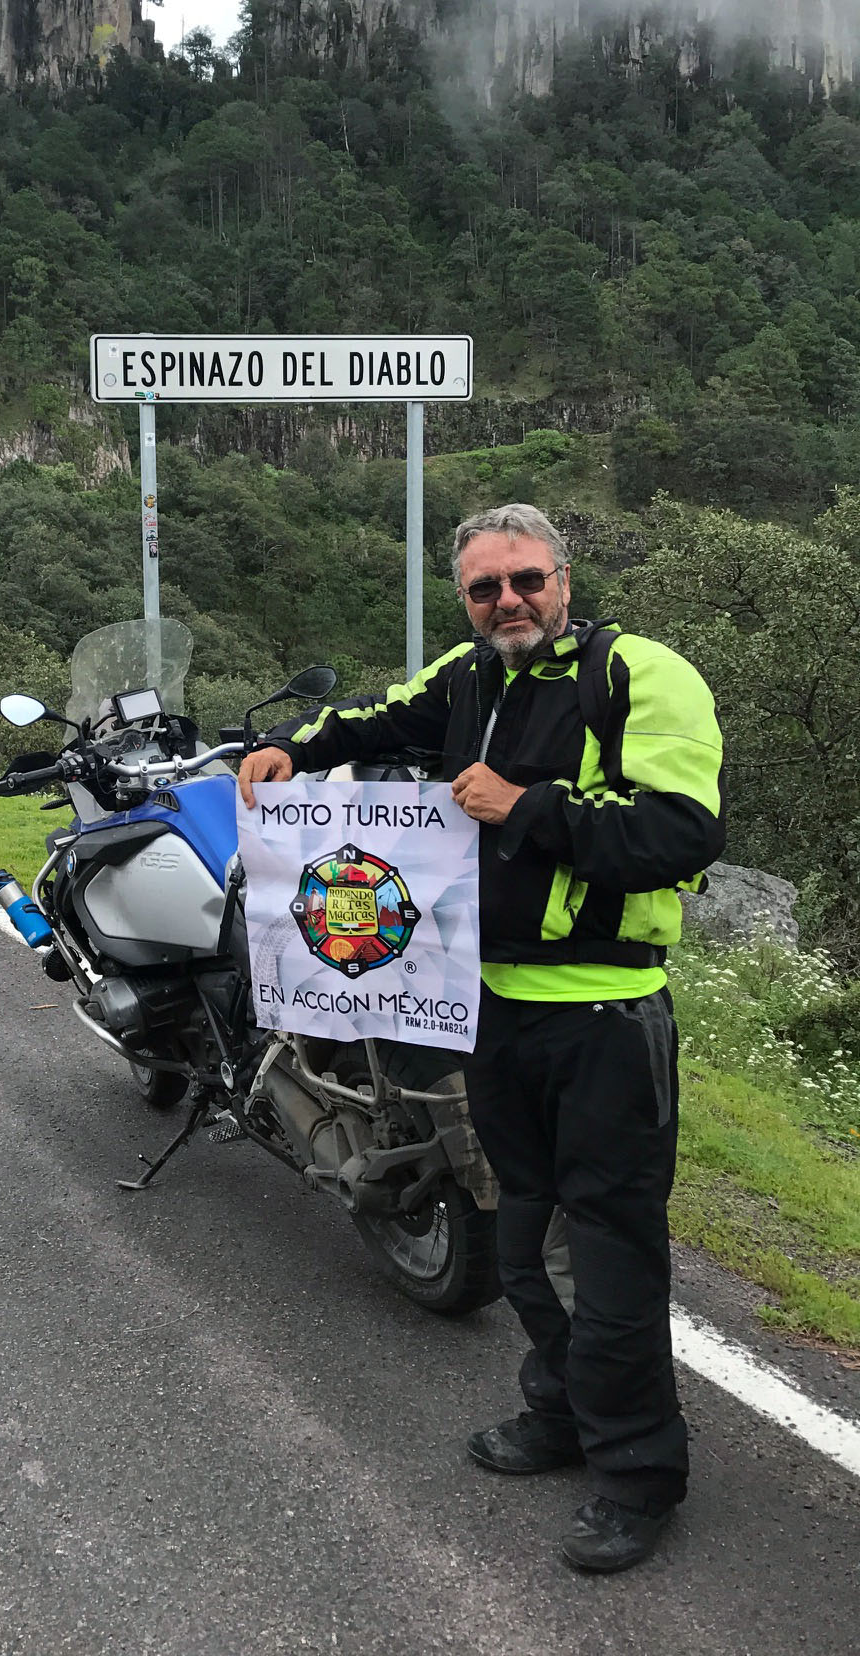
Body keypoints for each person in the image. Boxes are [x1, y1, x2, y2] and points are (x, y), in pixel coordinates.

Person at [238, 503, 724, 1573]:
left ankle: (640, 1476)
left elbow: (683, 835)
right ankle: (559, 1412)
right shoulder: (468, 677)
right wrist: (282, 748)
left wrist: (525, 806)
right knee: (524, 1238)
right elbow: (368, 720)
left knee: (609, 1251)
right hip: (487, 1007)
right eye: (485, 587)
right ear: (465, 598)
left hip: (603, 1016)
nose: (508, 601)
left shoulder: (638, 674)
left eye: (526, 581)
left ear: (563, 578)